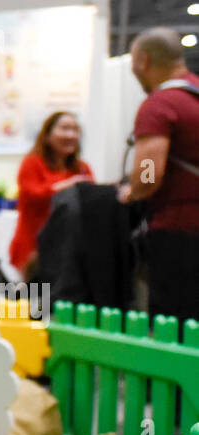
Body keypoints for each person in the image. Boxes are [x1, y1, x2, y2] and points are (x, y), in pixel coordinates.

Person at [118, 28, 199, 321]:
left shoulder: (160, 105)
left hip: (180, 233)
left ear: (143, 60)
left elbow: (150, 173)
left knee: (176, 324)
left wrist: (132, 192)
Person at [10, 112, 94, 280]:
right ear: (47, 136)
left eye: (75, 129)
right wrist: (69, 184)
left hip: (69, 250)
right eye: (64, 128)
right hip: (33, 250)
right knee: (34, 302)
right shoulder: (32, 163)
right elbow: (33, 194)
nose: (71, 135)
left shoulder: (82, 168)